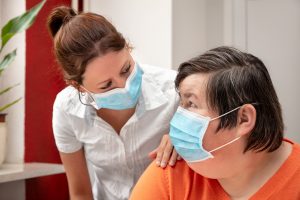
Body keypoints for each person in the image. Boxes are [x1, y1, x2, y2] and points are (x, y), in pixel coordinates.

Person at [130, 46, 300, 200]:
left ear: (244, 119)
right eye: (181, 104)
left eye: (191, 104)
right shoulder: (171, 172)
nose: (178, 118)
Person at [47, 6, 180, 200]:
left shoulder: (175, 90)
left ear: (128, 48)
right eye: (107, 85)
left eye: (126, 69)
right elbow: (80, 193)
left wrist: (186, 138)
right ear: (78, 86)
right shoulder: (67, 109)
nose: (125, 86)